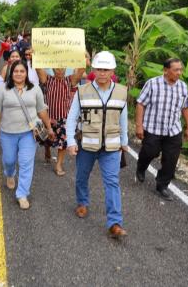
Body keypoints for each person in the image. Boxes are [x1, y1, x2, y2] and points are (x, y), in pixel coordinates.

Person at [66, 51, 128, 239]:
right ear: (93, 70)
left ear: (112, 71)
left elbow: (123, 119)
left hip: (111, 147)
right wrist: (70, 141)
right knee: (81, 177)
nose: (102, 73)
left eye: (106, 70)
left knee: (112, 182)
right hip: (87, 145)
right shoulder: (82, 91)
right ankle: (82, 203)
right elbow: (71, 118)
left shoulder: (121, 91)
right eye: (99, 69)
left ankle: (115, 222)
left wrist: (124, 142)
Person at [0, 60, 54, 209]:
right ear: (10, 73)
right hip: (7, 132)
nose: (18, 74)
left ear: (27, 73)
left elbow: (41, 110)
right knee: (8, 160)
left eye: (22, 71)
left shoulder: (35, 89)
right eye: (15, 71)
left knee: (26, 163)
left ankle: (22, 194)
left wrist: (49, 127)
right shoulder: (2, 89)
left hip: (29, 133)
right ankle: (10, 173)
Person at [135, 58, 188, 201]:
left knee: (171, 160)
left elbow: (185, 107)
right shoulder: (152, 84)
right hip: (153, 128)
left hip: (173, 130)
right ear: (166, 70)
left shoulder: (183, 87)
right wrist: (139, 125)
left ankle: (162, 185)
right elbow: (141, 104)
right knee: (150, 152)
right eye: (176, 70)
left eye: (180, 69)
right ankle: (141, 167)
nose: (179, 73)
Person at [37, 65, 85, 176]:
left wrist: (82, 59)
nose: (60, 70)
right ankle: (47, 149)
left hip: (64, 118)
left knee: (64, 142)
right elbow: (38, 68)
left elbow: (81, 71)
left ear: (66, 70)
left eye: (62, 68)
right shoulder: (47, 79)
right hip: (49, 117)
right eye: (57, 68)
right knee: (46, 139)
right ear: (53, 69)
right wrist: (36, 55)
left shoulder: (70, 80)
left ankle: (58, 164)